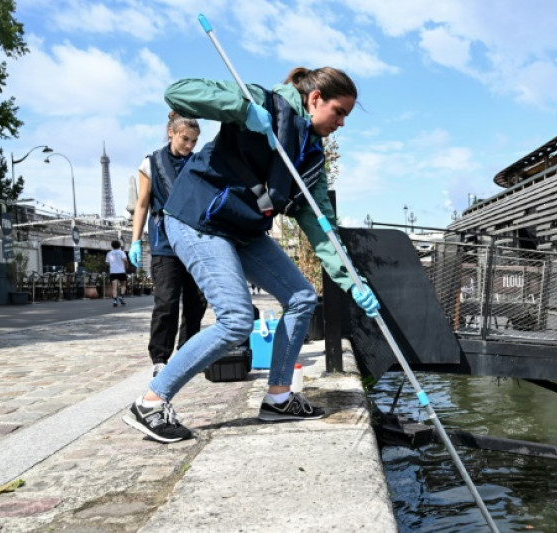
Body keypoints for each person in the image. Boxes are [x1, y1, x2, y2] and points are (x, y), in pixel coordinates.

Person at [122, 67, 380, 443]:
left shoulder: (310, 157)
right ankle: (150, 401)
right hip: (197, 219)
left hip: (242, 230)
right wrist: (241, 110)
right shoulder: (262, 102)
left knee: (302, 297)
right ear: (315, 99)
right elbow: (179, 92)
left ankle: (278, 398)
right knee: (236, 319)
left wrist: (351, 280)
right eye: (339, 112)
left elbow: (321, 224)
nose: (342, 123)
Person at [129, 111, 208, 377]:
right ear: (171, 133)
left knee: (197, 301)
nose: (189, 146)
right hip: (164, 243)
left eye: (194, 141)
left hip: (194, 241)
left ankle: (187, 352)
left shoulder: (197, 163)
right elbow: (141, 205)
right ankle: (160, 358)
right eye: (185, 139)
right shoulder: (151, 163)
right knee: (166, 302)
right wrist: (135, 241)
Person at [105, 240, 129, 307]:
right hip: (121, 271)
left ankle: (115, 300)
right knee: (123, 285)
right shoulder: (121, 252)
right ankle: (121, 296)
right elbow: (125, 260)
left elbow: (107, 263)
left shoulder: (109, 253)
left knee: (114, 287)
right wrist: (126, 265)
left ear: (112, 246)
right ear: (119, 245)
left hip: (113, 272)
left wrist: (112, 265)